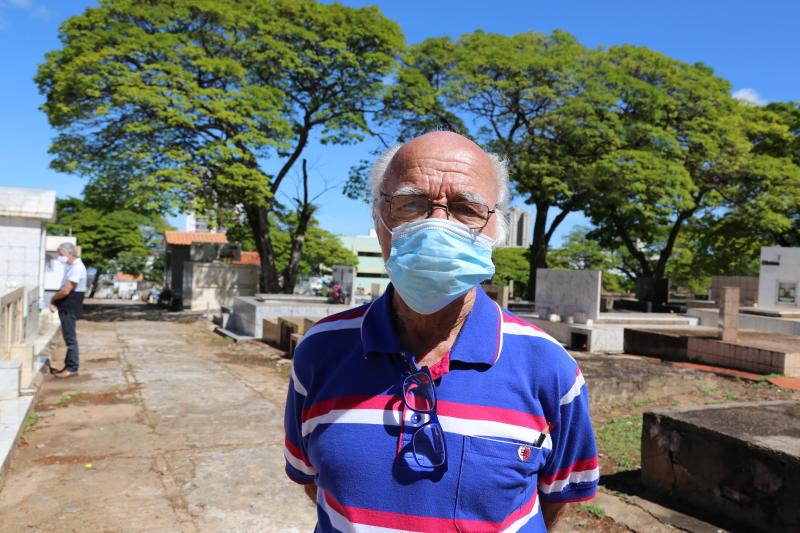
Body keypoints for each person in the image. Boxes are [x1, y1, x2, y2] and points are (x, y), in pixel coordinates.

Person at [284, 131, 599, 532]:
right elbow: (318, 483)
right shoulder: (319, 352)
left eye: (465, 208)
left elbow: (556, 501)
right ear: (379, 219)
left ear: (495, 230)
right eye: (411, 203)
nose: (436, 224)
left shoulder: (551, 369)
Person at [49, 242, 87, 378]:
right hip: (66, 305)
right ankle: (67, 366)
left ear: (68, 253)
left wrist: (52, 299)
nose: (59, 257)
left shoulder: (77, 268)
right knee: (67, 337)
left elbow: (66, 290)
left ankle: (72, 368)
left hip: (70, 305)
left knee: (70, 339)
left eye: (60, 254)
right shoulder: (71, 266)